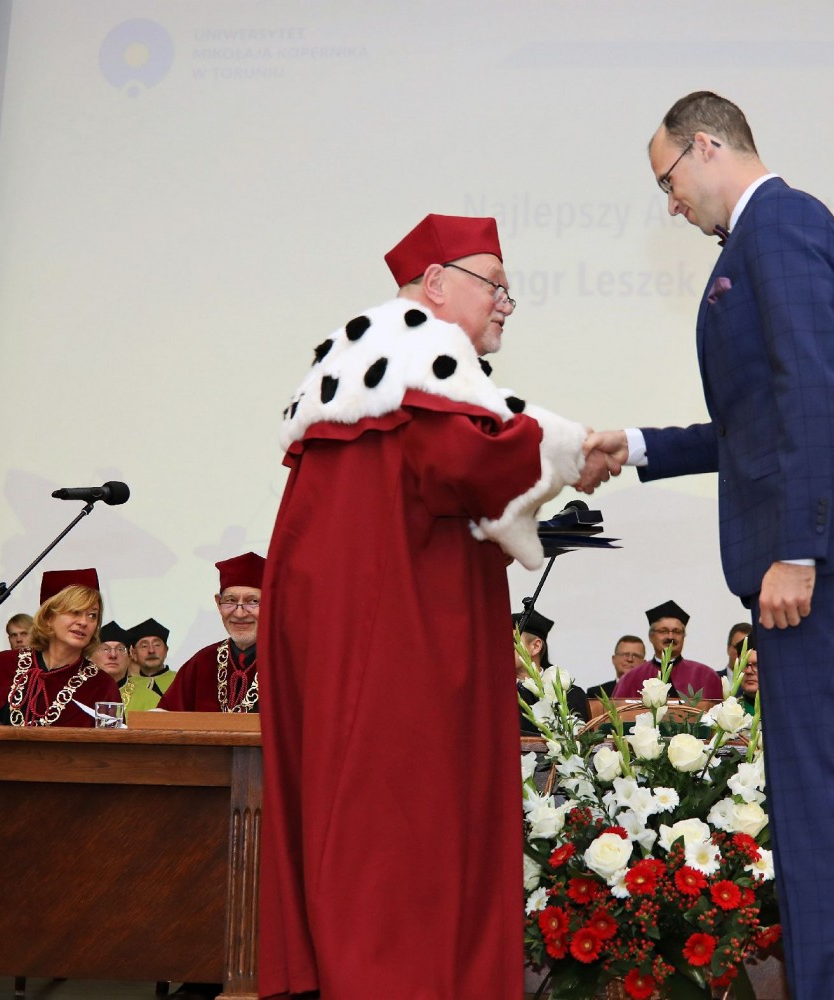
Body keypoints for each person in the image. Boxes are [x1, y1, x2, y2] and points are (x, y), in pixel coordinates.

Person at [578, 91, 834, 1000]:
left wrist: (798, 551)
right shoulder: (765, 235)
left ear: (705, 146)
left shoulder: (780, 224)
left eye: (668, 181)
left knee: (816, 806)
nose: (670, 205)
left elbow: (812, 389)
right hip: (815, 548)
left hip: (818, 556)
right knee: (805, 807)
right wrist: (636, 446)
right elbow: (757, 421)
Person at [258, 214, 585, 1000]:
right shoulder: (420, 356)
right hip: (402, 647)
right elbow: (471, 461)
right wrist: (574, 446)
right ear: (435, 284)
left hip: (349, 635)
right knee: (403, 838)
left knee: (354, 825)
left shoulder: (360, 369)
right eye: (494, 285)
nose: (506, 304)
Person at [0, 569, 119, 727]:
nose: (84, 622)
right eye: (75, 612)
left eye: (92, 615)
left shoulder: (103, 687)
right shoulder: (3, 665)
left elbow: (112, 748)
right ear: (48, 617)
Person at [160, 553, 265, 713]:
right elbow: (165, 716)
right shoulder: (202, 662)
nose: (239, 613)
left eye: (253, 601)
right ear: (218, 603)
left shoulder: (290, 663)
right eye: (230, 601)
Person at [613, 600, 722, 700]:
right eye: (663, 631)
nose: (670, 637)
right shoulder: (631, 678)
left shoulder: (706, 676)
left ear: (683, 637)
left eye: (677, 632)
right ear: (651, 637)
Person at [515, 608, 590, 733]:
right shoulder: (493, 694)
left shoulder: (570, 694)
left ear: (535, 646)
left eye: (512, 642)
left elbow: (580, 740)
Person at [126, 617, 175, 699]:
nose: (151, 650)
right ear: (133, 654)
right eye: (144, 646)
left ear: (166, 650)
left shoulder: (181, 681)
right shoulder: (126, 688)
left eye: (157, 645)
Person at [586, 635, 645, 701]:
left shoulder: (651, 694)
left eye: (635, 656)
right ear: (614, 659)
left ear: (644, 663)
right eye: (625, 655)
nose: (630, 659)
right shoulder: (595, 694)